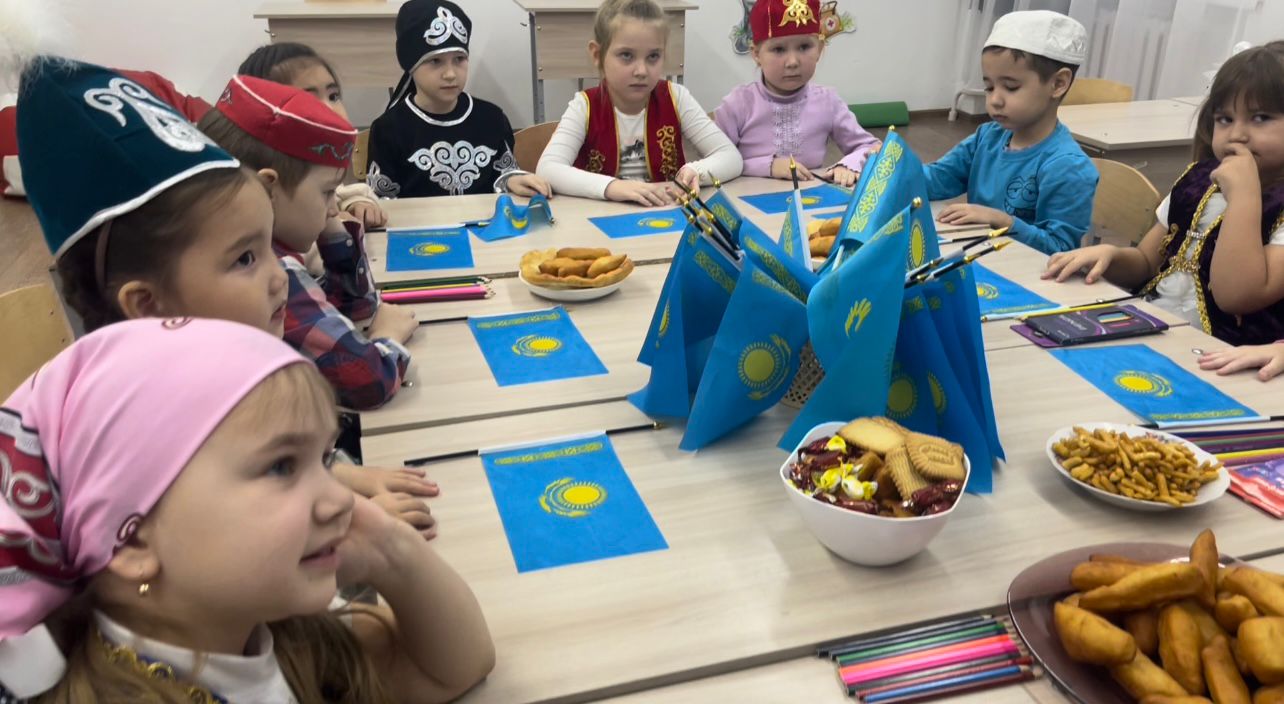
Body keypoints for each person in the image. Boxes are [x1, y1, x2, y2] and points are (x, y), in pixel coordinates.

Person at [16, 58, 438, 536]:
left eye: (267, 247)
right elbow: (241, 550)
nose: (280, 276)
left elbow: (271, 453)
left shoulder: (213, 367)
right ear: (149, 306)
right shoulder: (147, 433)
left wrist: (341, 477)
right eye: (245, 259)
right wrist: (351, 525)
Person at [0, 318, 494, 702]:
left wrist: (389, 549)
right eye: (281, 466)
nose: (342, 498)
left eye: (324, 459)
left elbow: (451, 670)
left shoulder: (269, 630)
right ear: (133, 540)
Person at [199, 75, 419, 411]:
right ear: (268, 189)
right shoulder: (270, 269)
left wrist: (331, 231)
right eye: (327, 192)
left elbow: (355, 310)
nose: (334, 208)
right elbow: (368, 380)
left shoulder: (254, 247)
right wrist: (388, 337)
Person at [1044, 41, 1284, 346]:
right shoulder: (1197, 181)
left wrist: (1244, 198)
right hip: (1156, 327)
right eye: (1225, 119)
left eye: (1260, 118)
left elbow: (1237, 296)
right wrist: (1112, 257)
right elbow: (1147, 262)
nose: (1237, 135)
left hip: (1226, 354)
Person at [922, 10, 1098, 254]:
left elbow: (1059, 249)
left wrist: (1003, 221)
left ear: (1058, 84)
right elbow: (938, 180)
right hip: (982, 257)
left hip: (1022, 272)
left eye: (1011, 87)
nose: (994, 99)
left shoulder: (1068, 166)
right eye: (989, 87)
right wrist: (891, 167)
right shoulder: (987, 137)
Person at [536, 0, 743, 206]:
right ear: (597, 55)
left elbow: (731, 157)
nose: (642, 71)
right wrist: (612, 187)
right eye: (626, 55)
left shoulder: (676, 97)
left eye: (653, 56)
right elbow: (548, 169)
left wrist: (694, 171)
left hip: (667, 214)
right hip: (601, 218)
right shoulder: (584, 106)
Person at [366, 0, 551, 199]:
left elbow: (503, 175)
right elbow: (382, 201)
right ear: (411, 66)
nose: (450, 74)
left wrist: (512, 181)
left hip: (484, 219)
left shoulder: (492, 119)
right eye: (435, 61)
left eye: (459, 59)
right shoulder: (389, 129)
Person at [713, 0, 880, 188]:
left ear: (819, 49)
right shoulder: (738, 104)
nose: (792, 62)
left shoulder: (828, 102)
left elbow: (871, 147)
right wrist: (768, 166)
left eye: (804, 47)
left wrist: (848, 164)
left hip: (812, 200)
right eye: (778, 49)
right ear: (756, 54)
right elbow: (715, 160)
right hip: (742, 199)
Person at [239, 42, 389, 230]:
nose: (331, 110)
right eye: (309, 100)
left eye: (333, 96)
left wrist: (355, 202)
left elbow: (340, 192)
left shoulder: (319, 166)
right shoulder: (254, 198)